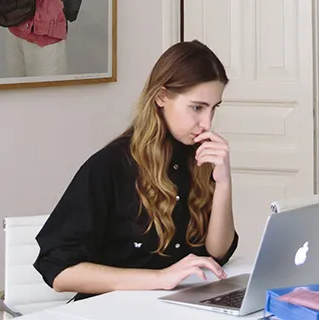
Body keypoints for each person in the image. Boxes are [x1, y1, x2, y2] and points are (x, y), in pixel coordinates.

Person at [32, 40, 239, 302]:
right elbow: (59, 272)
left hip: (179, 307)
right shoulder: (109, 166)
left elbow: (217, 253)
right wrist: (160, 279)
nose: (206, 123)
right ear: (162, 96)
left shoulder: (199, 156)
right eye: (197, 107)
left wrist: (224, 183)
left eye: (214, 108)